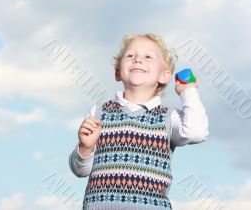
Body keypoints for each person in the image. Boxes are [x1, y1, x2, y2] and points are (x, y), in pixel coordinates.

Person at [68, 33, 209, 209]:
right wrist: (85, 148)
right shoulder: (99, 112)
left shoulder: (168, 117)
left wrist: (189, 91)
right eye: (130, 56)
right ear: (118, 72)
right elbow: (80, 170)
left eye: (148, 56)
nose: (138, 60)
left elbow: (196, 132)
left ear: (164, 76)